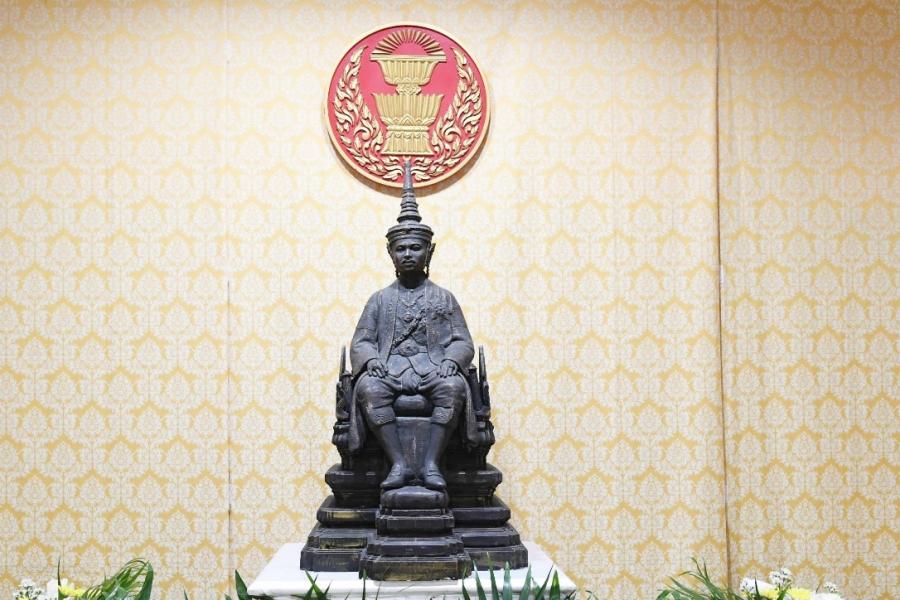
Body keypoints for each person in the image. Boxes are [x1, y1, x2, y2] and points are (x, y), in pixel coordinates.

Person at [349, 162, 474, 491]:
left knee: (453, 388)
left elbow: (462, 341)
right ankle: (399, 463)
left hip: (432, 368)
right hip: (389, 368)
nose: (408, 254)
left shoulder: (444, 297)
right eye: (401, 249)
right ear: (390, 253)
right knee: (368, 389)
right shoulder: (379, 300)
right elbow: (362, 341)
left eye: (415, 248)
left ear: (429, 251)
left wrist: (451, 361)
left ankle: (431, 463)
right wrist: (371, 360)